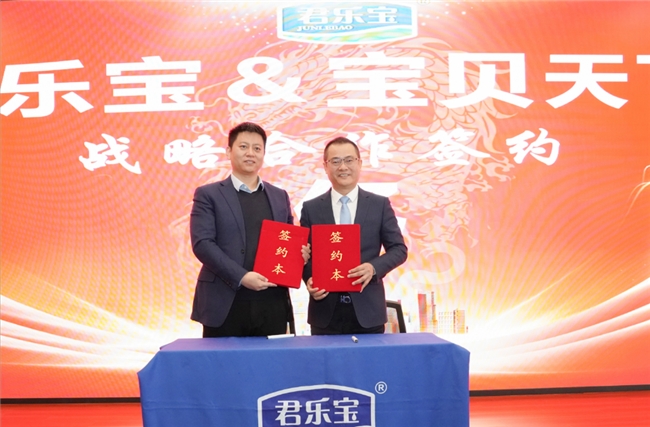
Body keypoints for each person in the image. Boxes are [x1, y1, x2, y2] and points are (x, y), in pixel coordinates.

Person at [189, 122, 307, 337]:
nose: (250, 153)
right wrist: (242, 277)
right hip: (224, 301)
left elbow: (288, 240)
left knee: (271, 358)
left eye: (257, 148)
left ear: (263, 154)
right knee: (222, 359)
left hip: (272, 301)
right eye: (243, 147)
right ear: (229, 151)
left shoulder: (279, 195)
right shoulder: (208, 194)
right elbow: (202, 244)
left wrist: (300, 254)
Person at [300, 137, 407, 335]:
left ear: (359, 163)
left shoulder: (379, 205)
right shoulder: (311, 208)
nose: (343, 167)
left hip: (368, 312)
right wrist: (308, 279)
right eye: (335, 161)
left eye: (349, 160)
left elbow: (399, 249)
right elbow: (304, 255)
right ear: (325, 166)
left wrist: (373, 268)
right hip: (325, 312)